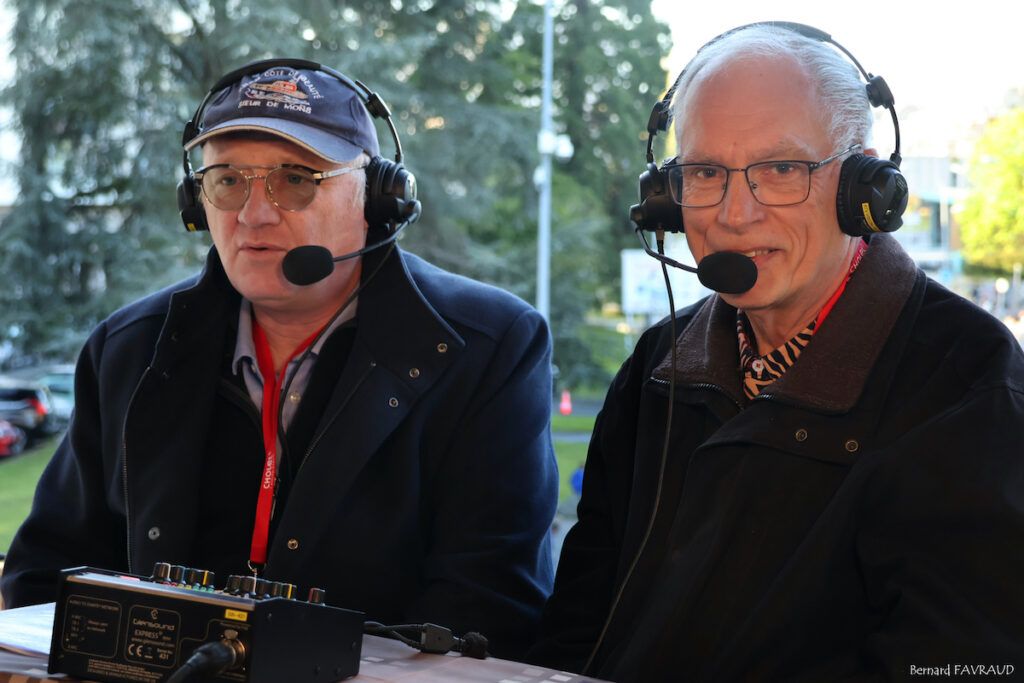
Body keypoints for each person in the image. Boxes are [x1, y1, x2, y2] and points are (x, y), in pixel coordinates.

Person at [1, 60, 558, 660]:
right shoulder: (128, 347)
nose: (254, 213)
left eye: (296, 179)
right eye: (228, 180)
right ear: (197, 200)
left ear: (376, 194)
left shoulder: (488, 345)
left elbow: (488, 611)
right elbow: (45, 577)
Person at [531, 23, 1024, 680]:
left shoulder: (969, 382)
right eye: (705, 171)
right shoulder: (656, 364)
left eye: (782, 169)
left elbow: (963, 662)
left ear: (865, 187)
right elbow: (577, 626)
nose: (735, 214)